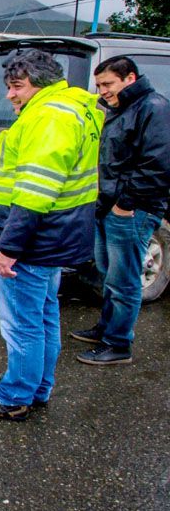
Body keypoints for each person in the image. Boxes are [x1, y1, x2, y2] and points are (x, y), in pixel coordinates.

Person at [0, 49, 104, 421]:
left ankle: (14, 396)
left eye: (17, 87)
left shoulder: (48, 117)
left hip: (33, 243)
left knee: (21, 323)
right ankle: (38, 386)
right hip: (53, 239)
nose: (10, 95)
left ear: (39, 84)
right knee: (43, 316)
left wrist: (9, 248)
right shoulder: (73, 107)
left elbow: (36, 192)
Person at [72, 56, 170, 365]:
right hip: (109, 207)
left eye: (108, 84)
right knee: (108, 272)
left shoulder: (154, 108)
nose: (102, 91)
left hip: (132, 210)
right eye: (99, 85)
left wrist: (125, 205)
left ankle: (118, 344)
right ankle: (106, 328)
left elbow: (157, 165)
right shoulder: (120, 110)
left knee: (124, 279)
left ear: (129, 78)